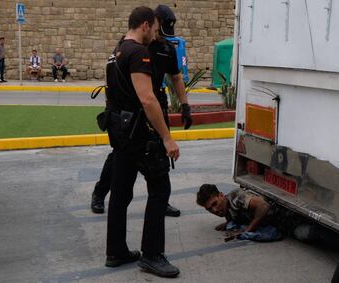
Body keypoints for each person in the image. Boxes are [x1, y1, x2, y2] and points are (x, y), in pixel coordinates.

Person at [91, 5, 192, 218]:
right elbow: (113, 77)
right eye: (158, 30)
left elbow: (176, 78)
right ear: (151, 24)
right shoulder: (135, 46)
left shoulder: (166, 50)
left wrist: (184, 105)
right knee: (121, 158)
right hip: (134, 109)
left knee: (158, 157)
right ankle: (100, 192)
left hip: (155, 106)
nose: (159, 35)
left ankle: (160, 200)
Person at [104, 6, 180, 278]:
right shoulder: (138, 52)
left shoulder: (116, 52)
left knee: (121, 193)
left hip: (121, 135)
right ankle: (152, 255)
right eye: (156, 29)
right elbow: (147, 98)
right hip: (140, 137)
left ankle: (115, 251)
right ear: (145, 25)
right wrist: (167, 137)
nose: (156, 34)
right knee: (160, 189)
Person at [196, 184, 339, 245]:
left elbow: (263, 206)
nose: (214, 210)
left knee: (308, 234)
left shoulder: (236, 197)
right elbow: (235, 215)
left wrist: (249, 229)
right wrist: (227, 223)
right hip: (280, 225)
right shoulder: (227, 210)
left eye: (214, 204)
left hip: (289, 218)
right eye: (210, 209)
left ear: (221, 195)